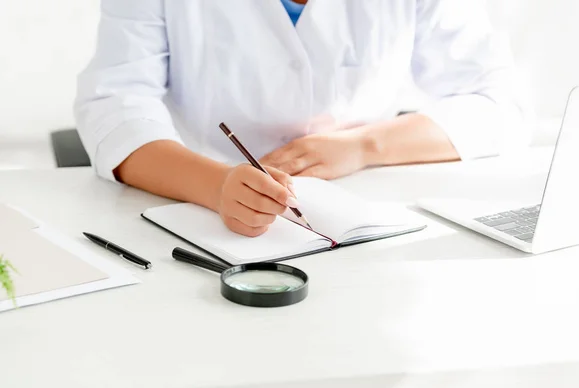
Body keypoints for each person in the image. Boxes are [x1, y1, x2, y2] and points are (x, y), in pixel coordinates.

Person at [75, 0, 528, 237]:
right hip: (201, 212)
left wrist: (363, 146)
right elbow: (115, 104)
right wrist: (214, 185)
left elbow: (500, 103)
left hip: (366, 219)